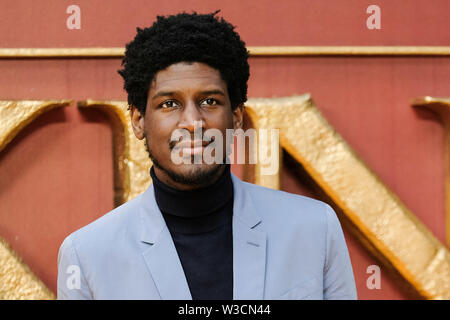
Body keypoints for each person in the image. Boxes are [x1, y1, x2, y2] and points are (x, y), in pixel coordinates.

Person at [57, 11, 357, 300]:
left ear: (237, 117)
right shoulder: (87, 255)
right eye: (169, 104)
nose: (192, 122)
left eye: (210, 101)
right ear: (138, 121)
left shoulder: (314, 228)